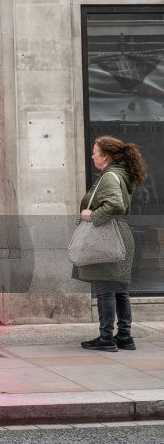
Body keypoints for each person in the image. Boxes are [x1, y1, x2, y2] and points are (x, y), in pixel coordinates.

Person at [74, 135, 147, 352]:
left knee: (105, 288)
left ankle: (106, 338)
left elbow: (114, 205)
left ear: (105, 157)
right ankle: (124, 336)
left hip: (107, 236)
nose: (92, 155)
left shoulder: (109, 177)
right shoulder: (121, 175)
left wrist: (91, 215)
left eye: (95, 151)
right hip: (121, 234)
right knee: (119, 289)